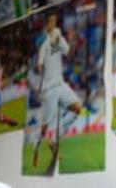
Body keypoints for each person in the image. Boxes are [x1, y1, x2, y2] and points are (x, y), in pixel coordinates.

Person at [32, 13, 82, 168]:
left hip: (60, 84)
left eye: (55, 21)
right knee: (45, 128)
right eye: (51, 22)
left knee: (77, 108)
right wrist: (40, 67)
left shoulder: (59, 37)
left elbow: (68, 52)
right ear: (46, 25)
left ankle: (54, 138)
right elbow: (39, 65)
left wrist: (71, 39)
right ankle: (35, 147)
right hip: (49, 90)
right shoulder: (44, 45)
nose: (53, 24)